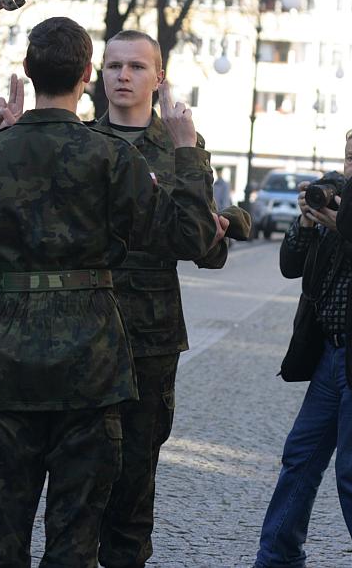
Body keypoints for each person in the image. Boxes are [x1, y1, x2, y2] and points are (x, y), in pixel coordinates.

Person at [0, 16, 226, 567]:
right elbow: (191, 236)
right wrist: (189, 157)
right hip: (92, 358)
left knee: (1, 523)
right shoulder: (108, 156)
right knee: (76, 528)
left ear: (29, 73)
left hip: (11, 360)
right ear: (87, 74)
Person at [87, 30, 250, 568]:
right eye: (113, 65)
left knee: (135, 480)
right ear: (99, 74)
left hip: (149, 338)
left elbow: (207, 250)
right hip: (82, 332)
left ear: (159, 78)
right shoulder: (82, 143)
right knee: (81, 481)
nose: (123, 76)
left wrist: (189, 162)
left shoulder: (179, 146)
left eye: (136, 66)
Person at [254, 127, 352, 568]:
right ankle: (277, 557)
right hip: (327, 357)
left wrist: (344, 229)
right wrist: (306, 223)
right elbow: (290, 267)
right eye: (350, 157)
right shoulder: (332, 202)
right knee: (300, 457)